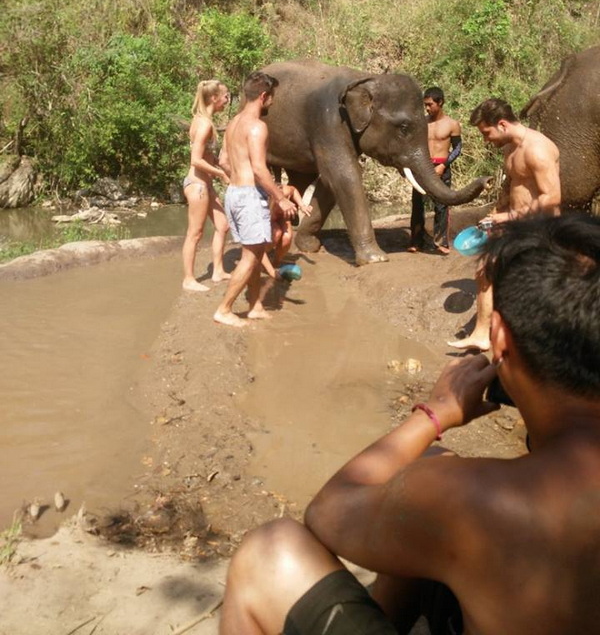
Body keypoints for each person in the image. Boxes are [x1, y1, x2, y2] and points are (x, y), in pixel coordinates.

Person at [220, 214, 600, 635]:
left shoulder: (471, 498)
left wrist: (436, 412)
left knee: (269, 552)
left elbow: (327, 513)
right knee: (429, 469)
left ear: (499, 338)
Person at [448, 97, 560, 351]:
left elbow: (552, 196)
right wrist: (497, 213)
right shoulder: (511, 149)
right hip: (518, 225)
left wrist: (509, 218)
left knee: (529, 282)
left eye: (487, 133)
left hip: (540, 229)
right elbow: (514, 188)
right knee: (486, 271)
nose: (486, 140)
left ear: (501, 124)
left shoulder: (537, 149)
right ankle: (484, 334)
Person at [213, 72, 296, 327]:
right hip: (249, 197)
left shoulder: (234, 123)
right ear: (263, 96)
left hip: (235, 194)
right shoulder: (258, 127)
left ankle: (254, 306)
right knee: (250, 256)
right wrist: (280, 198)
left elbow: (224, 161)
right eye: (272, 98)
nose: (272, 103)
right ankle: (224, 310)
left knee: (256, 251)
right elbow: (260, 170)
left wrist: (237, 180)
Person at [182, 79, 231, 292]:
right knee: (195, 233)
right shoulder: (202, 124)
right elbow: (196, 159)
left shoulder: (206, 121)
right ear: (213, 98)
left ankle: (218, 271)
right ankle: (189, 279)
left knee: (223, 225)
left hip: (206, 184)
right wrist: (220, 174)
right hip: (198, 186)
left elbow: (208, 156)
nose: (227, 100)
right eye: (226, 96)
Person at [409, 87, 462, 255]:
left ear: (440, 102)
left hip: (441, 166)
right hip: (422, 167)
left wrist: (443, 165)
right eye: (425, 105)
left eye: (430, 104)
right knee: (417, 205)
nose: (427, 108)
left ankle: (441, 242)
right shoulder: (422, 123)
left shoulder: (452, 124)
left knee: (441, 205)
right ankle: (416, 241)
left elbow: (457, 148)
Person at [261, 183, 313, 280]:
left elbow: (293, 190)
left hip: (282, 216)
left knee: (287, 238)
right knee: (276, 234)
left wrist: (302, 205)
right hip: (268, 218)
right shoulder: (265, 196)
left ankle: (276, 262)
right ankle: (261, 257)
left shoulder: (286, 191)